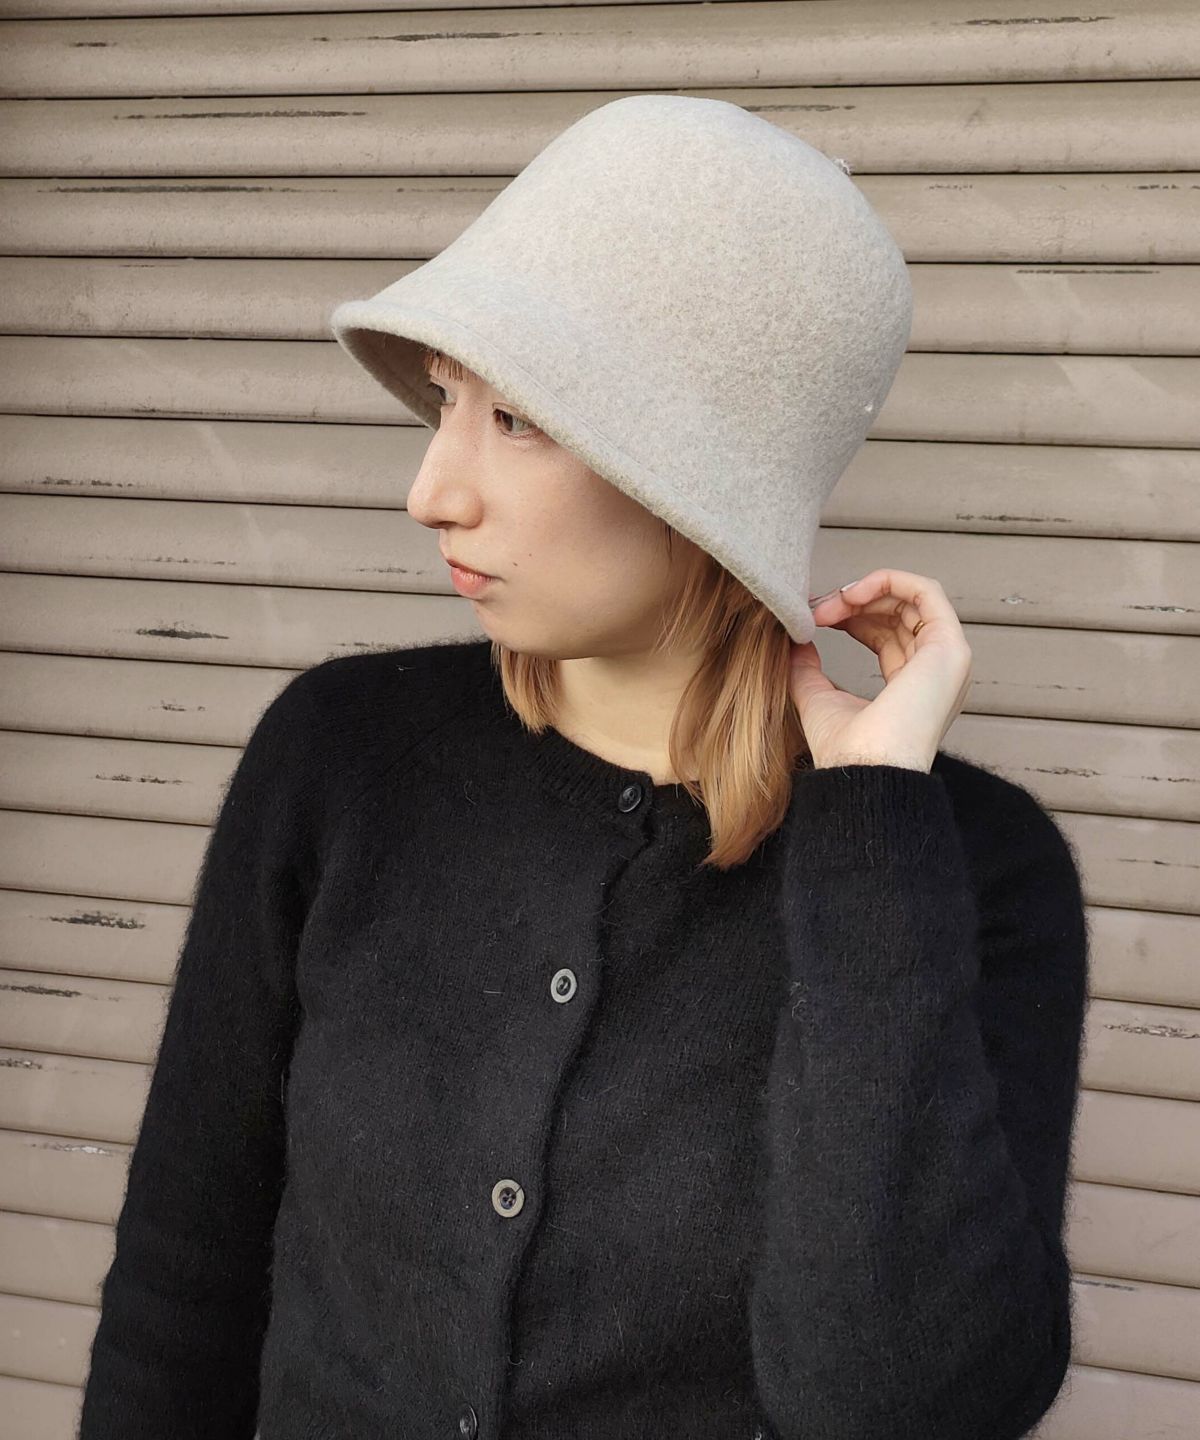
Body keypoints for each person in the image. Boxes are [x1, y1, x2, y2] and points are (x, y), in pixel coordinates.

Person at [78, 96, 1089, 1440]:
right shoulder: (343, 757)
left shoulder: (964, 870)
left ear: (701, 472)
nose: (432, 492)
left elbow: (896, 1402)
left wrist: (871, 836)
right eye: (447, 402)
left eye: (516, 419)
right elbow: (181, 1283)